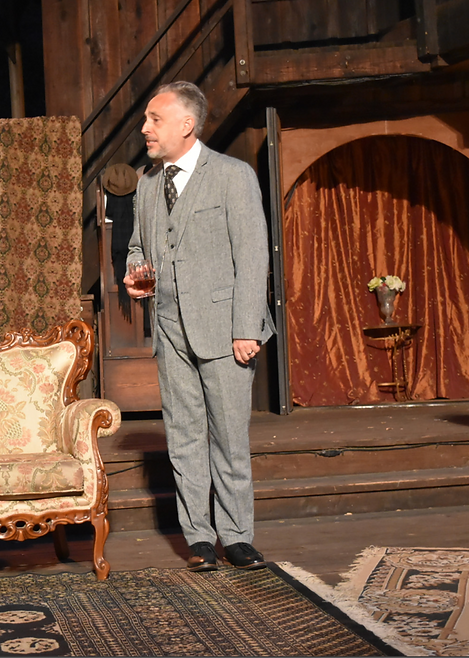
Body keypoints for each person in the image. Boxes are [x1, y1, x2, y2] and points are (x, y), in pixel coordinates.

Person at [124, 81, 275, 572]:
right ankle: (200, 538)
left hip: (226, 329)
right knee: (184, 435)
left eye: (154, 119)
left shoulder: (233, 176)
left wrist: (246, 327)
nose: (145, 128)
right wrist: (134, 273)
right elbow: (137, 247)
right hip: (169, 328)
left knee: (228, 437)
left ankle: (237, 536)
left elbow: (253, 257)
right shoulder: (147, 184)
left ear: (186, 125)